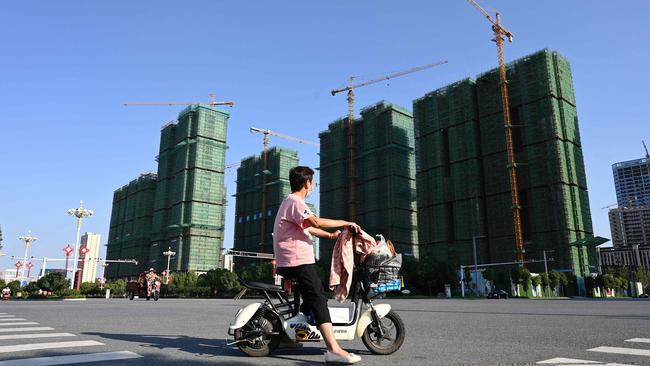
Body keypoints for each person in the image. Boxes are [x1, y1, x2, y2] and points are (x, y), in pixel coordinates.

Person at [273, 166, 362, 365]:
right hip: (297, 261)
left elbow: (309, 228)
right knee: (318, 298)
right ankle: (333, 349)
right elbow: (317, 222)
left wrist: (331, 236)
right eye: (312, 182)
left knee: (311, 298)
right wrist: (345, 223)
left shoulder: (291, 203)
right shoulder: (295, 201)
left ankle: (288, 337)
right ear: (307, 183)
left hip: (293, 260)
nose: (313, 185)